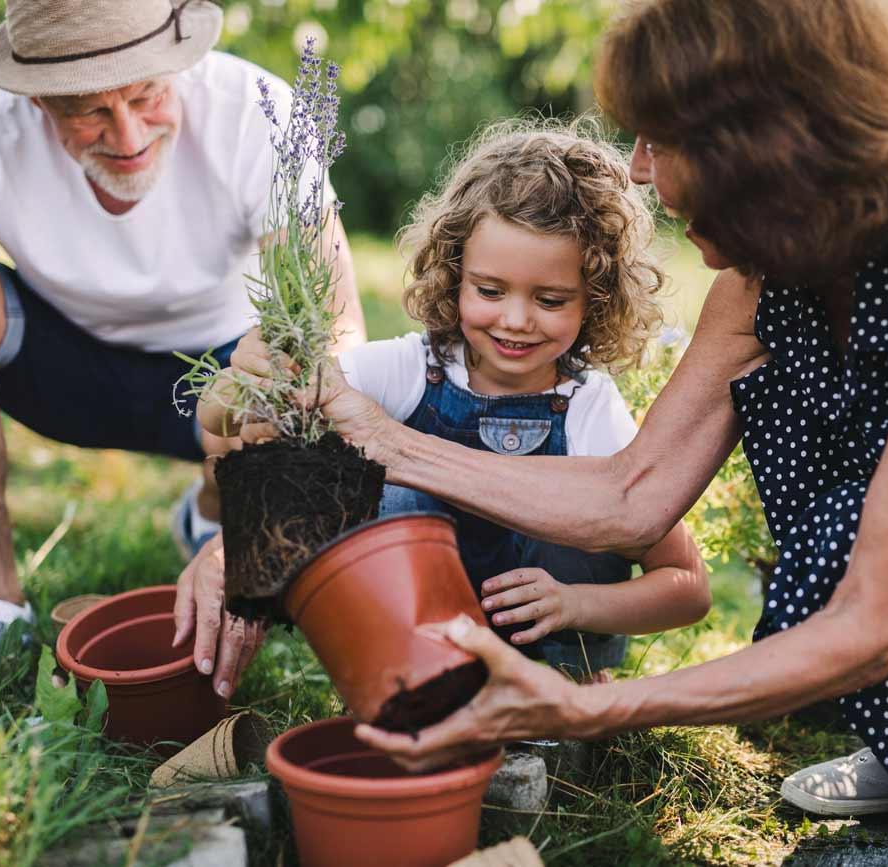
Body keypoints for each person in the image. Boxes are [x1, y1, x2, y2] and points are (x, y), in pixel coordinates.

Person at [221, 1, 888, 863]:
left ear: (765, 146)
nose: (633, 169)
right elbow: (634, 496)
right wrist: (367, 435)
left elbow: (871, 623)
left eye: (659, 140)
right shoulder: (767, 274)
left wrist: (590, 706)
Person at [0, 0, 365, 679]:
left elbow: (336, 340)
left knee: (285, 363)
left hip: (221, 381)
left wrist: (244, 544)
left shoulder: (255, 112)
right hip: (63, 369)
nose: (126, 136)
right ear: (35, 96)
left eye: (147, 94)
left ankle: (213, 510)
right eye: (87, 111)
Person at [190, 122, 712, 682]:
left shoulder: (590, 409)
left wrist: (577, 604)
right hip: (417, 658)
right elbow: (226, 418)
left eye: (551, 298)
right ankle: (404, 680)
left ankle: (570, 690)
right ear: (454, 274)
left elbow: (688, 589)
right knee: (388, 491)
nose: (515, 320)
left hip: (548, 667)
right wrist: (241, 380)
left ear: (597, 299)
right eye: (490, 291)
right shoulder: (410, 369)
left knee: (588, 507)